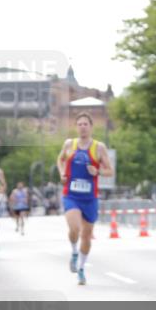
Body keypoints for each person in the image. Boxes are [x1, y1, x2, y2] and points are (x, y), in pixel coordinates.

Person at [57, 113, 114, 286]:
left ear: (91, 127)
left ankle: (81, 268)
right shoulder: (69, 144)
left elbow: (109, 171)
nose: (82, 127)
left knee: (87, 236)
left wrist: (97, 172)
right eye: (79, 124)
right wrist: (62, 173)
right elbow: (60, 160)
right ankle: (74, 252)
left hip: (89, 198)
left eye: (85, 124)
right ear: (76, 127)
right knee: (74, 228)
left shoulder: (99, 147)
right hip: (71, 195)